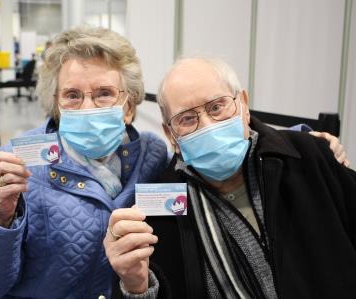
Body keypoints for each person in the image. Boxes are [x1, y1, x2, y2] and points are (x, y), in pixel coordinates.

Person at [104, 57, 356, 298]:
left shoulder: (309, 156)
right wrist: (135, 286)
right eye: (188, 119)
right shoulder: (157, 208)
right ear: (170, 135)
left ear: (243, 105)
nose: (207, 125)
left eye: (216, 107)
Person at [0, 27, 168, 298]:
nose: (88, 108)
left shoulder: (151, 155)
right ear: (56, 105)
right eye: (72, 95)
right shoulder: (19, 162)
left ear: (128, 107)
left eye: (104, 93)